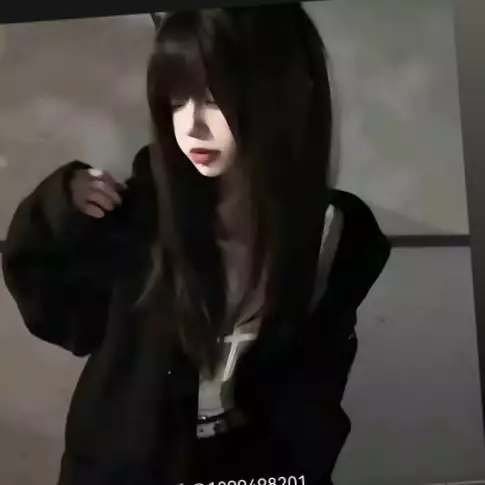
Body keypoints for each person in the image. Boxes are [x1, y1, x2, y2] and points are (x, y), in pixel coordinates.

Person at [1, 5, 391, 485]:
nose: (191, 126)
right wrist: (56, 209)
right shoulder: (140, 216)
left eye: (213, 99)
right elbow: (59, 314)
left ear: (285, 92)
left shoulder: (336, 233)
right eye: (177, 101)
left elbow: (316, 380)